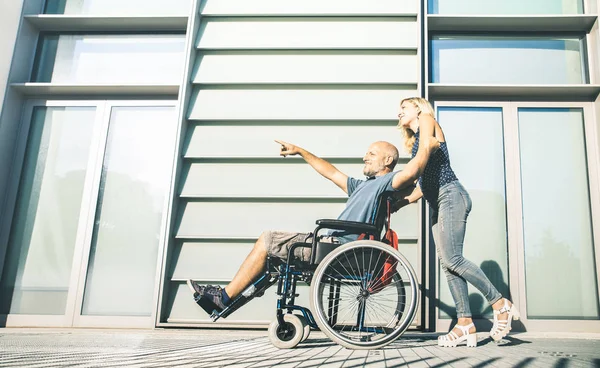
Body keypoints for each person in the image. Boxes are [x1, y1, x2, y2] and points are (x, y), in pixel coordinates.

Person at [187, 138, 439, 316]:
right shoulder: (362, 186)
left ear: (387, 160)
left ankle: (224, 297)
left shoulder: (386, 183)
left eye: (371, 154)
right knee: (273, 258)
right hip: (329, 245)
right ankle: (227, 299)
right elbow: (330, 172)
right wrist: (300, 151)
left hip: (337, 248)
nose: (364, 157)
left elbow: (414, 169)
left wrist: (425, 141)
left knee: (268, 240)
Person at [397, 97, 519, 347]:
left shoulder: (427, 120)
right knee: (448, 264)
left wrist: (401, 180)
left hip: (450, 194)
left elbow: (419, 164)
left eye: (403, 108)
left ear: (418, 109)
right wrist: (398, 203)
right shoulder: (418, 140)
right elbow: (421, 185)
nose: (399, 113)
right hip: (437, 201)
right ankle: (465, 323)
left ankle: (499, 303)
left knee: (453, 259)